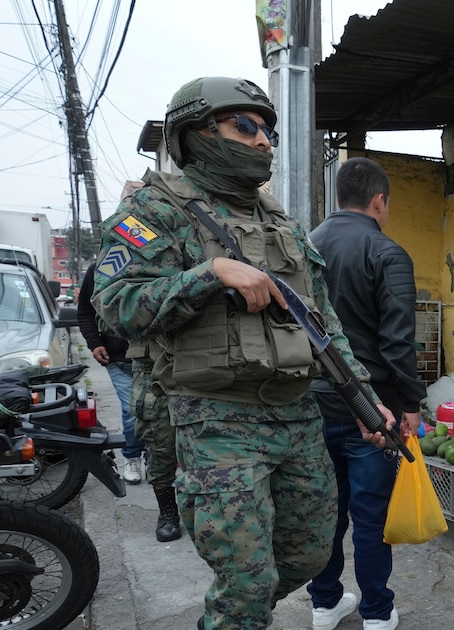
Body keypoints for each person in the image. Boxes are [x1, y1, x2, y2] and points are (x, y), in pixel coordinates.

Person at [90, 76, 395, 630]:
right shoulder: (156, 213)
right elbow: (115, 304)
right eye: (246, 126)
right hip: (217, 421)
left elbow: (324, 324)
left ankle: (237, 611)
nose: (264, 142)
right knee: (246, 583)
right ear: (195, 133)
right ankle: (237, 612)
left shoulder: (281, 223)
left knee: (309, 556)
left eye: (269, 131)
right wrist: (209, 274)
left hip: (298, 415)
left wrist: (365, 401)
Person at [304, 157, 425, 630]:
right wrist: (411, 403)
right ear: (379, 200)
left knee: (325, 511)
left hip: (311, 403)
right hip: (370, 411)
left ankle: (324, 603)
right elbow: (398, 342)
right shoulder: (386, 252)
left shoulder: (304, 245)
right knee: (371, 516)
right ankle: (376, 612)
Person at [76, 262, 147, 484]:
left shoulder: (156, 262)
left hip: (155, 358)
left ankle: (155, 458)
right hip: (118, 359)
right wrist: (95, 343)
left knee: (158, 412)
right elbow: (85, 312)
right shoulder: (100, 269)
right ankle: (132, 457)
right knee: (133, 410)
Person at [127, 337, 182, 542]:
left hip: (205, 360)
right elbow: (109, 319)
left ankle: (206, 508)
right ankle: (168, 512)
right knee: (160, 442)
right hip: (153, 368)